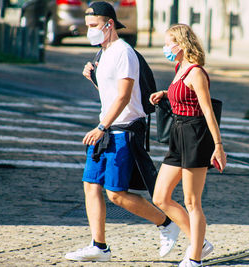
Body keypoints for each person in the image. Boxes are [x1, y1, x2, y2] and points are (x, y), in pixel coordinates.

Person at [65, 2, 179, 262]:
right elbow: (110, 96)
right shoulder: (102, 54)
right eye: (88, 26)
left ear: (110, 24)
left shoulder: (123, 52)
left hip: (123, 130)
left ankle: (166, 223)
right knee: (90, 185)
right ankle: (99, 246)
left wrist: (102, 126)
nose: (89, 31)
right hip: (106, 129)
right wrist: (94, 80)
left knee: (116, 194)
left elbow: (125, 96)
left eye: (93, 26)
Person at [149, 24, 227, 267]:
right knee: (160, 197)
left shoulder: (196, 72)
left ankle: (195, 258)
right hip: (178, 135)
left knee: (192, 202)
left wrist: (218, 145)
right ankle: (200, 243)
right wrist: (165, 92)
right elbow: (183, 94)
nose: (166, 47)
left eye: (169, 42)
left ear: (181, 44)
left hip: (196, 137)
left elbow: (207, 111)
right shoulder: (179, 68)